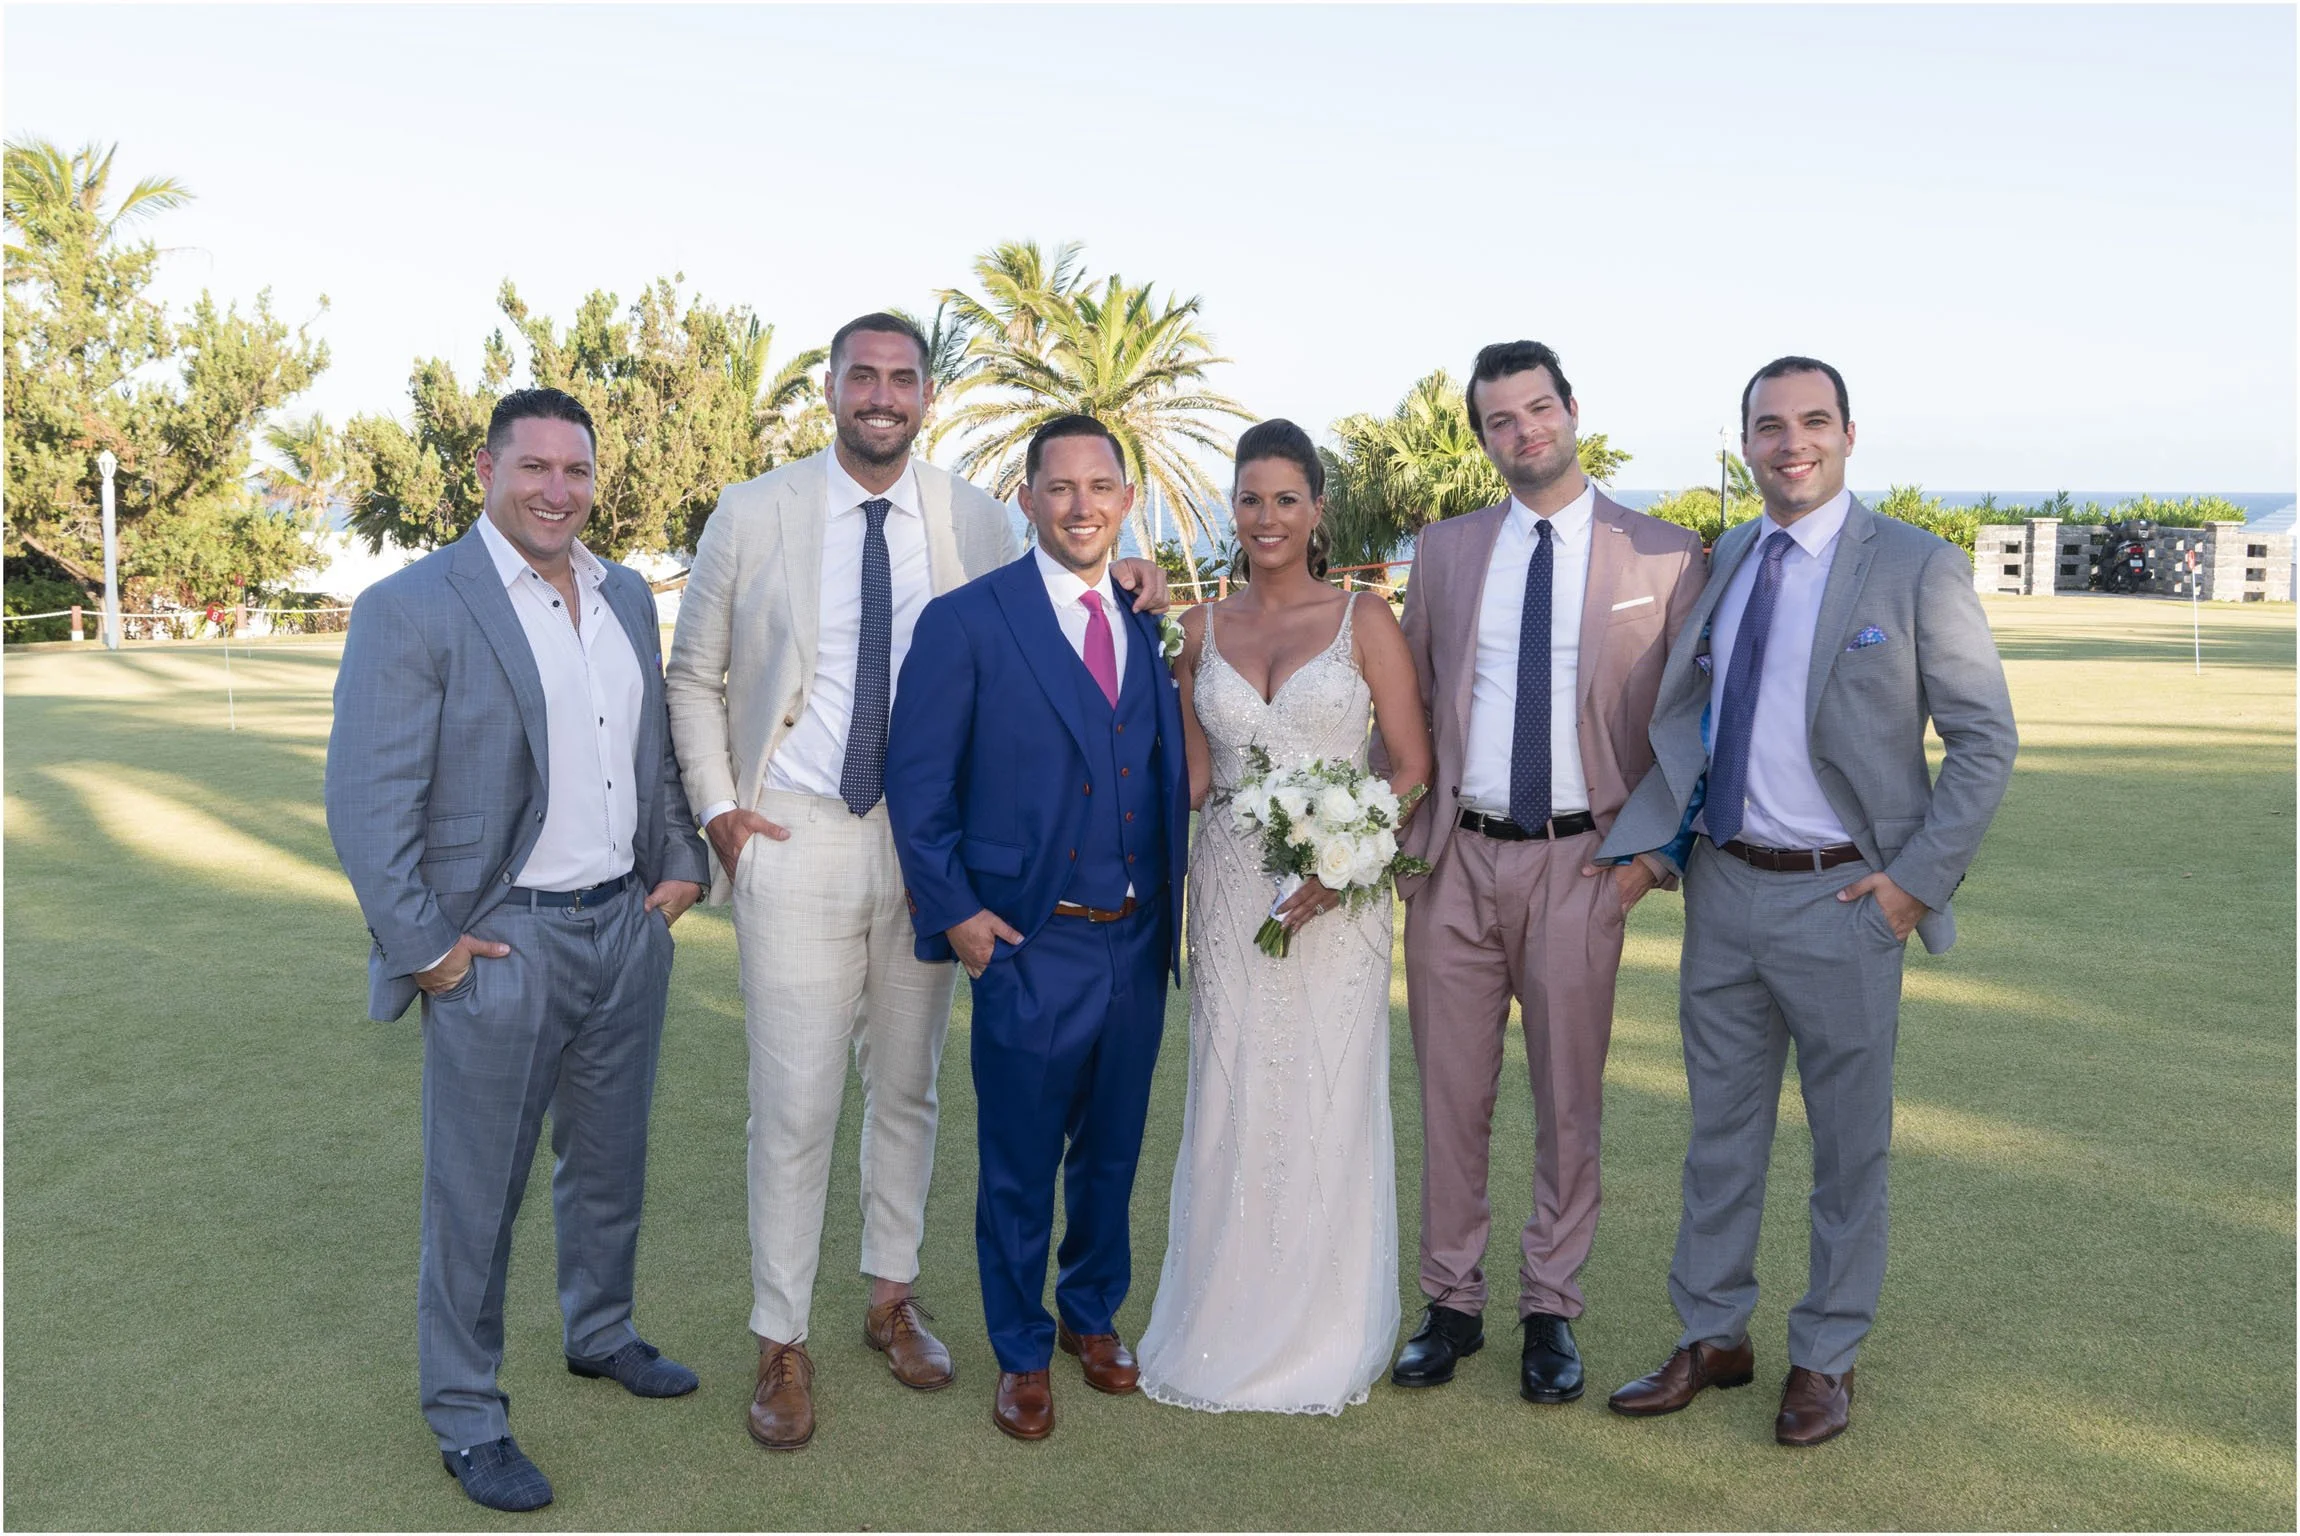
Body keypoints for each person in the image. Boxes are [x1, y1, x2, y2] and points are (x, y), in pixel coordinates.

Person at [664, 316, 1170, 1451]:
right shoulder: (753, 512)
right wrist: (720, 814)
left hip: (934, 848)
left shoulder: (978, 516)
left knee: (909, 1091)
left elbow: (1052, 600)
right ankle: (779, 1342)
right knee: (793, 1106)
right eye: (862, 377)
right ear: (831, 389)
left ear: (927, 397)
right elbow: (693, 674)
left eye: (902, 378)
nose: (881, 396)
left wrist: (1128, 576)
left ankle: (889, 1298)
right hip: (794, 831)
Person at [1598, 357, 2016, 1446]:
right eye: (1768, 426)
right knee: (1718, 1138)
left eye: (1811, 422)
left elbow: (1982, 743)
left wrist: (1908, 891)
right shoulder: (1731, 557)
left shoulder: (1916, 569)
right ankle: (1712, 1336)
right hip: (1726, 891)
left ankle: (1826, 1355)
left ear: (1846, 433)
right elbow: (1688, 714)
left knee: (1846, 1149)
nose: (1791, 443)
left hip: (1846, 901)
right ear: (1744, 443)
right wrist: (1669, 846)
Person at [326, 388, 710, 1513]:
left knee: (609, 1163)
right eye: (533, 467)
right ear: (485, 471)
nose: (556, 490)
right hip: (501, 944)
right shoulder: (415, 605)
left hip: (624, 928)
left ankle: (599, 1334)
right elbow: (366, 798)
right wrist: (428, 949)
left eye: (575, 471)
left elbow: (657, 754)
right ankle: (465, 1412)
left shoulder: (628, 596)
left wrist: (678, 864)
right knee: (475, 1194)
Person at [1387, 342, 1704, 1404]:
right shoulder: (1440, 551)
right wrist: (1401, 848)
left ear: (1571, 409)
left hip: (1581, 864)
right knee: (1449, 1094)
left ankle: (1550, 1310)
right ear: (1480, 439)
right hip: (1455, 863)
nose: (1523, 432)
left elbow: (1693, 728)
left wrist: (1646, 862)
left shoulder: (1661, 556)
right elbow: (1404, 702)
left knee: (1568, 1104)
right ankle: (1450, 1301)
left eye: (1536, 409)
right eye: (1498, 421)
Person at [884, 414, 1190, 1442]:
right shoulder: (966, 622)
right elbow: (915, 784)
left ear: (1123, 498)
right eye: (1058, 487)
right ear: (1026, 499)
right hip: (1026, 945)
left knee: (1110, 1153)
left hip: (1135, 942)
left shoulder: (1144, 616)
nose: (1080, 505)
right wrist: (959, 917)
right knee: (1017, 1164)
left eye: (1099, 486)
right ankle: (1020, 1349)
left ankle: (1089, 1317)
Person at [1134, 419, 1432, 1415]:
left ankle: (1320, 1327)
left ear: (1315, 510)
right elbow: (1196, 776)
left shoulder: (1362, 620)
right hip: (1223, 888)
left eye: (1284, 499)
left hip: (1334, 900)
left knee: (1321, 1089)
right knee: (1228, 1093)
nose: (1265, 517)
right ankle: (1219, 1318)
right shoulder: (1198, 631)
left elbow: (1410, 764)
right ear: (1233, 507)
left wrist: (1342, 862)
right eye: (1248, 498)